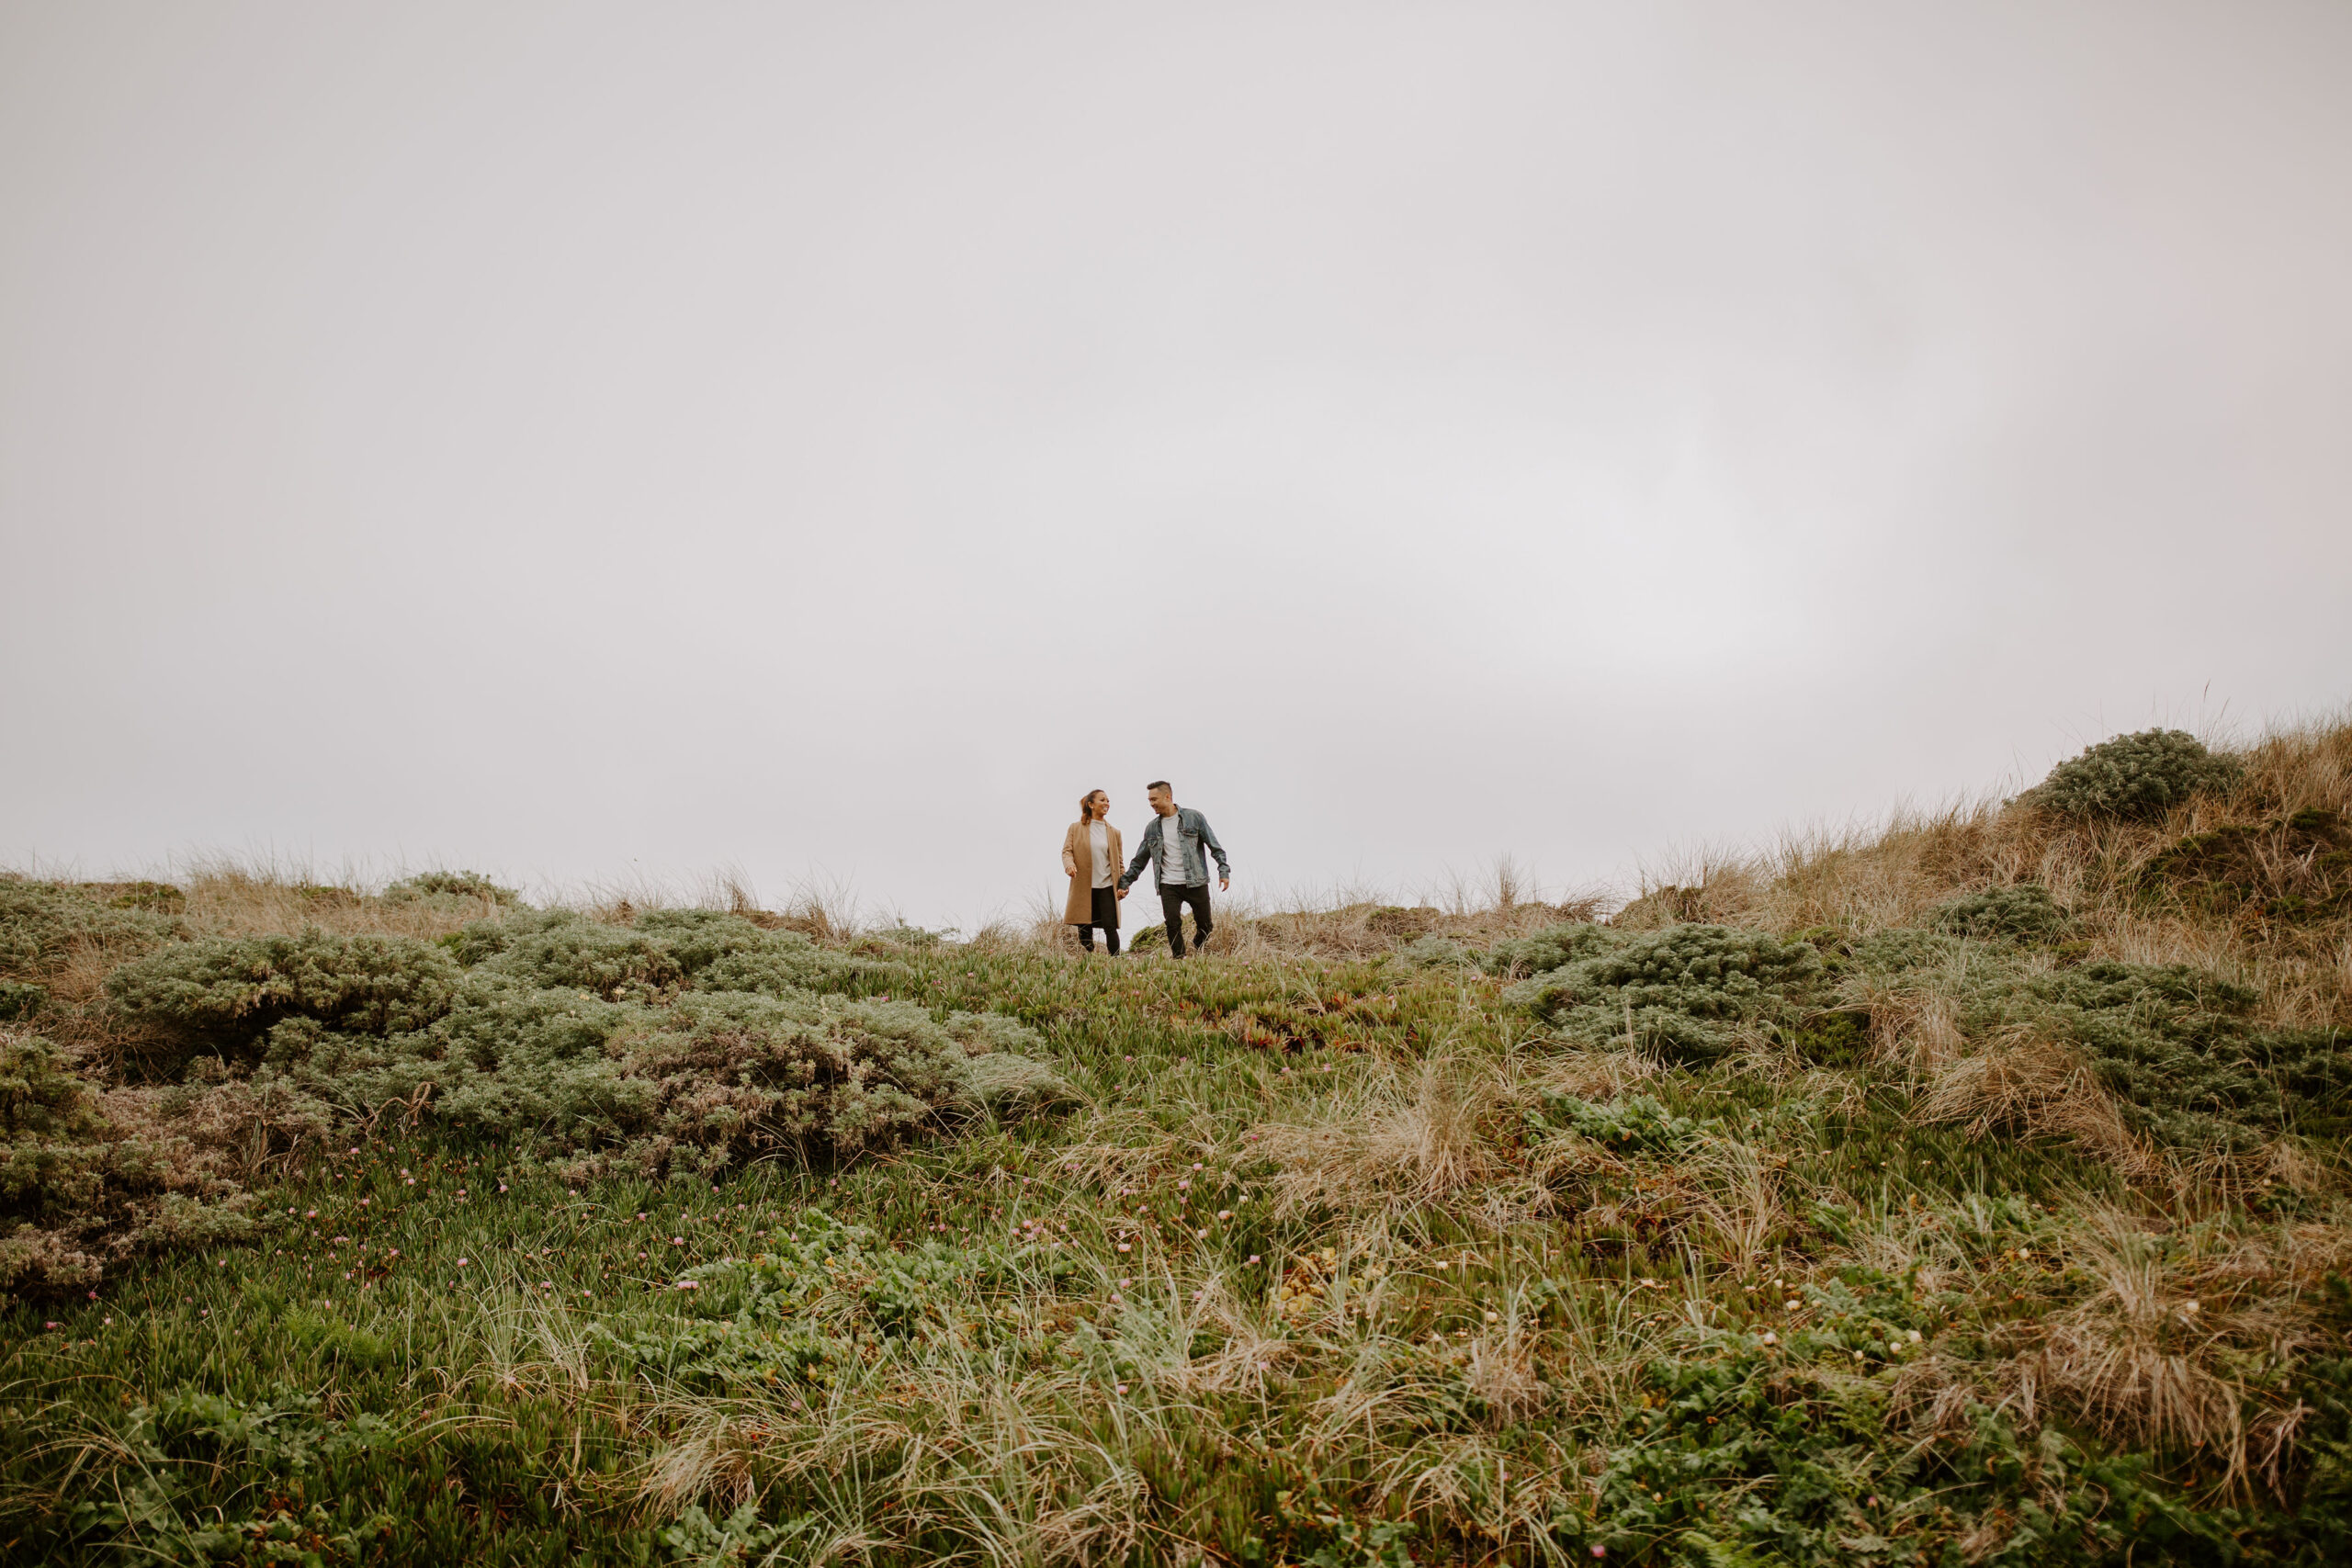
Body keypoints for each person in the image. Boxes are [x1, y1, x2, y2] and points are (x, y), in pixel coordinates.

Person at [1117, 780, 1230, 957]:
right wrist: (1124, 882)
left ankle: (1198, 944)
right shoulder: (1152, 828)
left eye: (1154, 799)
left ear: (1168, 797)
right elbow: (1139, 861)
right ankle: (1180, 959)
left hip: (1196, 881)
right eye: (1149, 800)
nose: (1151, 804)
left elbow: (1214, 846)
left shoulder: (1194, 818)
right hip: (1168, 883)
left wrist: (1223, 871)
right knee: (1172, 923)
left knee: (1206, 926)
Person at [1060, 788, 1124, 954]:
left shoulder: (1114, 833)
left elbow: (1120, 862)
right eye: (1102, 800)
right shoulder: (1075, 828)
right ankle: (1089, 958)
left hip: (1107, 885)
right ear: (1091, 804)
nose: (1107, 803)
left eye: (1108, 800)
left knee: (1110, 925)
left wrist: (1123, 884)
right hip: (1084, 885)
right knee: (1084, 927)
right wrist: (1069, 865)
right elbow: (1067, 851)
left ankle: (1116, 961)